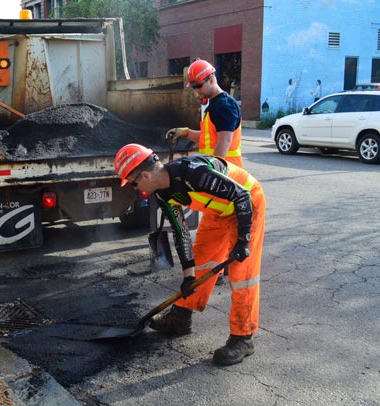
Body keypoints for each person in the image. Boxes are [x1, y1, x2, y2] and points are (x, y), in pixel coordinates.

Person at [114, 143, 266, 366]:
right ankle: (181, 318)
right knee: (202, 259)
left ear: (145, 175)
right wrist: (188, 276)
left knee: (242, 275)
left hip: (248, 205)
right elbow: (180, 232)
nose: (136, 189)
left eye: (134, 183)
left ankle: (243, 338)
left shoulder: (193, 173)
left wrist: (243, 240)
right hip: (219, 212)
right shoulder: (164, 195)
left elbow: (240, 195)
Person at [165, 59, 243, 284]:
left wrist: (212, 175)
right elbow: (210, 137)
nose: (196, 91)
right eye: (194, 87)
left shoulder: (225, 106)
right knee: (220, 222)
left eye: (198, 86)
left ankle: (224, 267)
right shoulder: (214, 105)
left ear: (211, 79)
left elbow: (224, 142)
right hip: (218, 174)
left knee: (222, 223)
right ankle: (219, 268)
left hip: (225, 174)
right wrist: (186, 132)